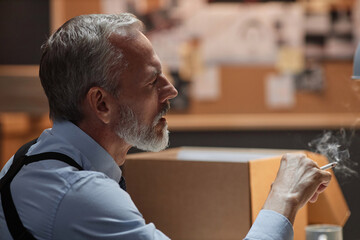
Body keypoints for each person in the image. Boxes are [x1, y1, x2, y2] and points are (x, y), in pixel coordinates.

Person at [0, 13, 331, 240]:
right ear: (101, 104)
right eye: (151, 81)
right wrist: (284, 196)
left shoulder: (31, 159)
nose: (170, 90)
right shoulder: (80, 196)